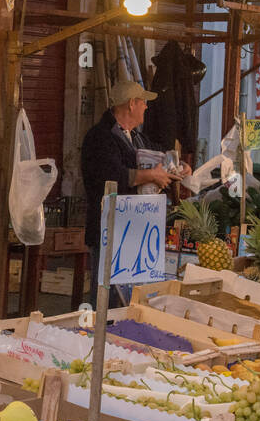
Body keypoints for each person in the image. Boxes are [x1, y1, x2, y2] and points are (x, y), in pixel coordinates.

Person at [81, 80, 189, 306]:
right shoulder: (99, 137)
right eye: (143, 102)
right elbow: (109, 177)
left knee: (130, 300)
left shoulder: (136, 137)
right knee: (107, 298)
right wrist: (150, 176)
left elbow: (159, 154)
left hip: (137, 230)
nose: (146, 107)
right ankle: (100, 339)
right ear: (131, 104)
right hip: (108, 230)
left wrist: (178, 166)